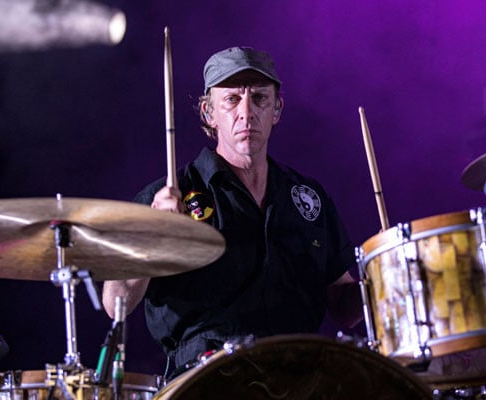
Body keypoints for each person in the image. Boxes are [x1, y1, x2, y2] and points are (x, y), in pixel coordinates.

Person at [102, 46, 363, 376]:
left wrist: (386, 278)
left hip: (299, 373)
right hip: (208, 377)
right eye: (232, 99)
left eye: (259, 98)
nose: (246, 112)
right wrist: (151, 236)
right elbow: (116, 303)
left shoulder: (307, 198)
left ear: (277, 109)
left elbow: (344, 306)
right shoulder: (166, 197)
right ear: (208, 112)